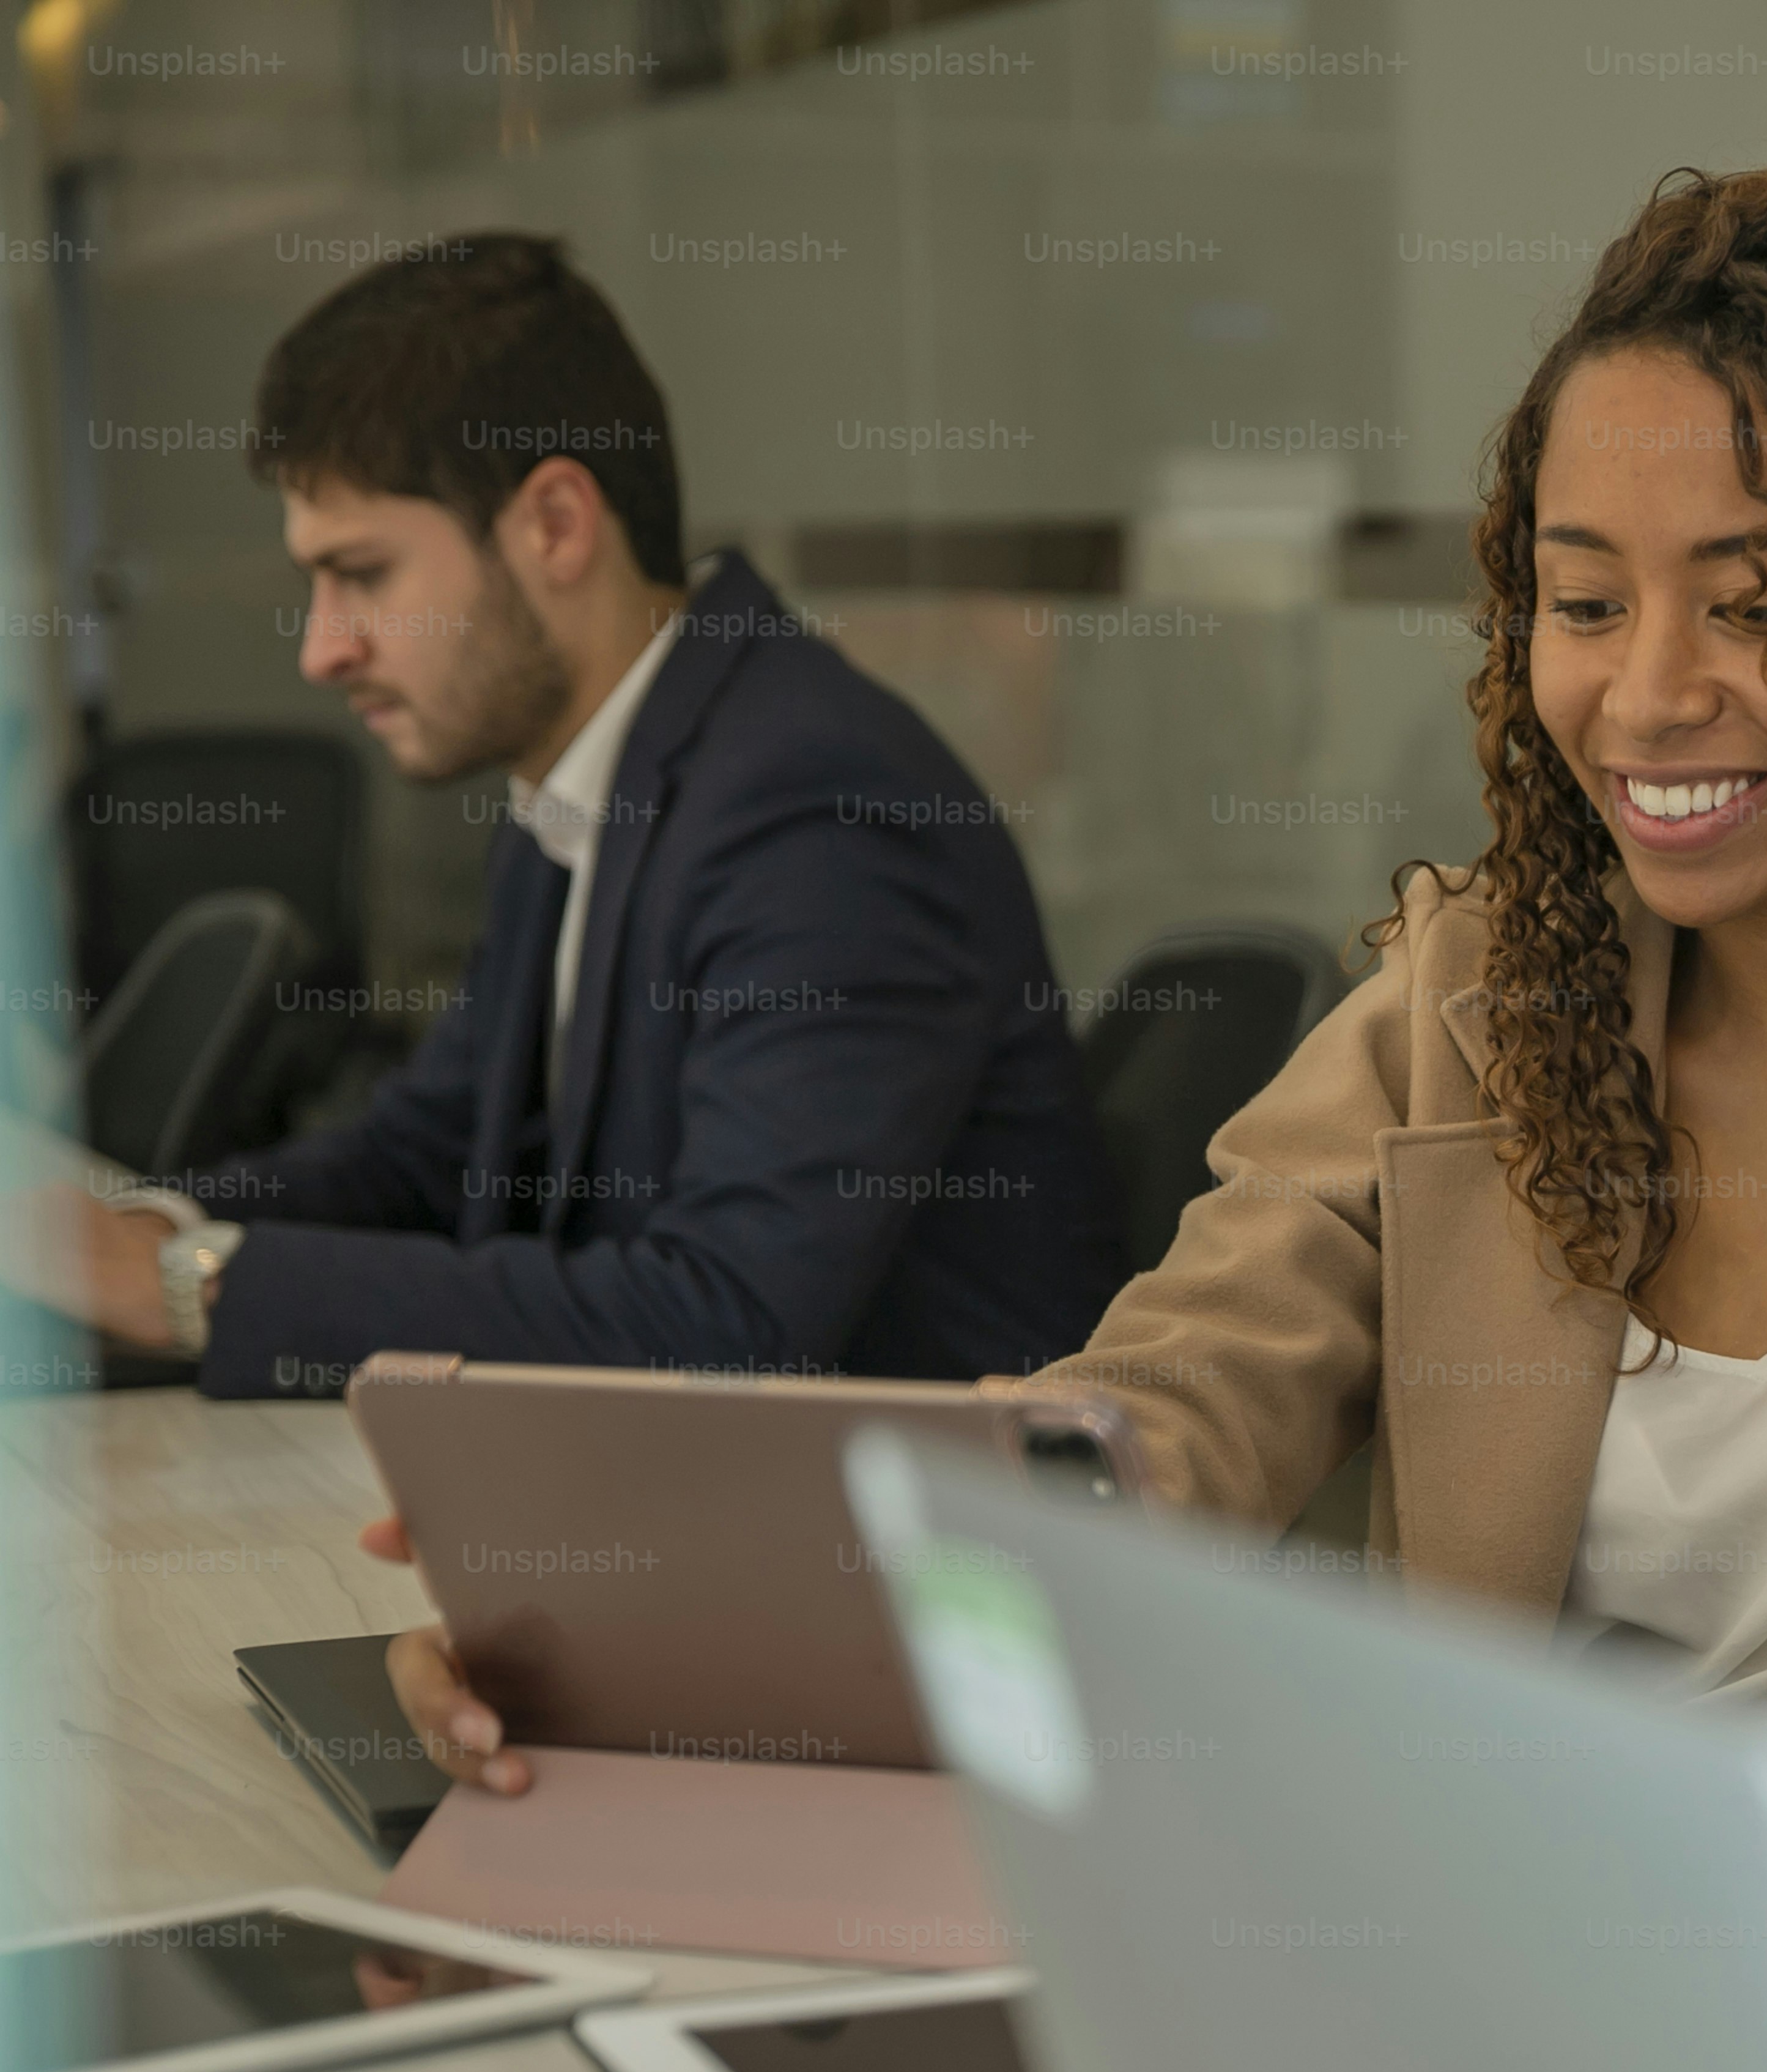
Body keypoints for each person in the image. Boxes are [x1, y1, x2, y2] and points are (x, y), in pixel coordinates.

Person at [384, 163, 1767, 2072]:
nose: (1646, 692)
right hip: (1510, 1975)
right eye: (1583, 602)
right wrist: (653, 1644)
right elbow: (1165, 1409)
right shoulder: (1486, 994)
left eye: (1758, 605)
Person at [7, 234, 1119, 1391]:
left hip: (917, 1549)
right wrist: (125, 1240)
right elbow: (426, 1158)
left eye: (366, 574)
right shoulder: (590, 780)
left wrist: (183, 1283)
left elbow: (721, 1320)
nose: (323, 650)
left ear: (554, 524)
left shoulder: (818, 809)